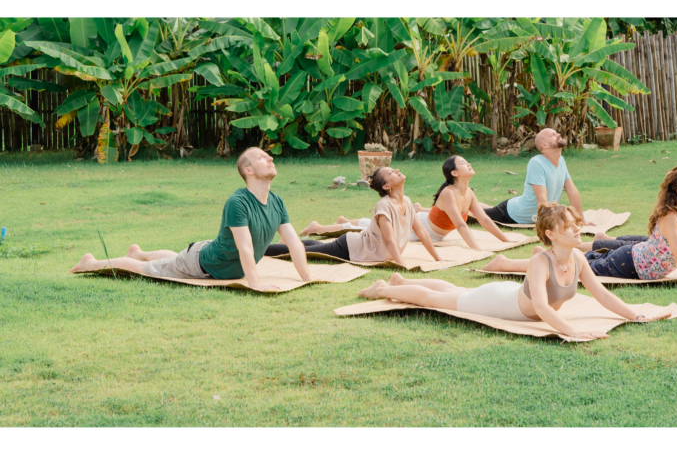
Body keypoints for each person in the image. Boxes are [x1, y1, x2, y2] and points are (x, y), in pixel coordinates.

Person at [356, 203, 669, 340]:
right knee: (435, 300)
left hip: (508, 297)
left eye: (577, 224)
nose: (578, 229)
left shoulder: (577, 258)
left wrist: (635, 315)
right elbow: (542, 308)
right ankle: (384, 289)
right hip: (497, 302)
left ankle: (400, 281)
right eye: (570, 226)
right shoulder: (540, 261)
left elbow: (602, 295)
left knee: (456, 290)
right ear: (551, 235)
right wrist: (572, 331)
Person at [70, 147, 311, 291]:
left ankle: (138, 251)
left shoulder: (277, 202)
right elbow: (245, 248)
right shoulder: (237, 202)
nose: (270, 159)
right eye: (262, 157)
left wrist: (308, 279)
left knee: (176, 260)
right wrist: (256, 285)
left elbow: (294, 243)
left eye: (269, 156)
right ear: (248, 170)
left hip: (208, 254)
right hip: (202, 264)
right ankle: (91, 263)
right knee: (146, 270)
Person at [484, 167, 677, 284]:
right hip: (628, 264)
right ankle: (506, 263)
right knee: (571, 268)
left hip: (633, 260)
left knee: (579, 260)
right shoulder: (671, 217)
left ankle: (545, 255)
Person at [307, 156, 521, 251]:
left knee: (367, 224)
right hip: (419, 228)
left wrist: (506, 239)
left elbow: (484, 219)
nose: (470, 164)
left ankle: (344, 220)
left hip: (426, 225)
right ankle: (319, 227)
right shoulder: (448, 193)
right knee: (370, 229)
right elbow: (461, 225)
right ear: (454, 173)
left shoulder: (469, 193)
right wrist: (477, 249)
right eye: (464, 163)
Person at [267, 167, 441, 267]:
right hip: (352, 247)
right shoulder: (384, 206)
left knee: (317, 246)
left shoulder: (407, 202)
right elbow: (389, 240)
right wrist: (401, 264)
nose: (396, 170)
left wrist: (438, 258)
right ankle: (261, 250)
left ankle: (285, 241)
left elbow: (422, 232)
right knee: (305, 251)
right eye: (391, 173)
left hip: (358, 244)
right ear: (386, 186)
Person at [479, 128, 609, 236]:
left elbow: (572, 192)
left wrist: (581, 220)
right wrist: (554, 226)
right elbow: (542, 200)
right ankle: (469, 202)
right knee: (480, 213)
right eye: (553, 135)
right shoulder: (536, 163)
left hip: (520, 205)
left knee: (487, 209)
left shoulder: (561, 160)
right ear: (544, 145)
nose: (558, 135)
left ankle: (474, 203)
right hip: (513, 213)